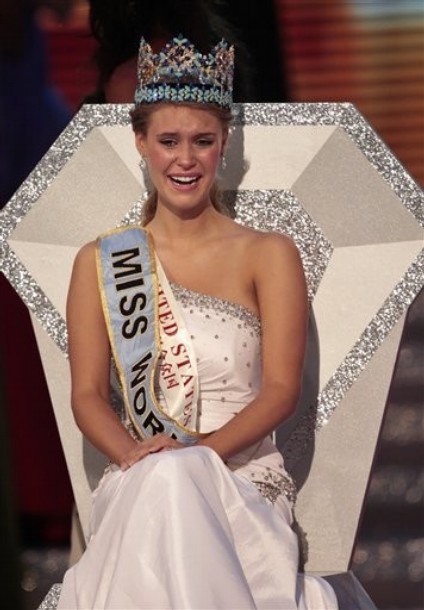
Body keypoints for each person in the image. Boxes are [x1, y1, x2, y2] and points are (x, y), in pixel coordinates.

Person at [58, 35, 338, 609]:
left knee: (176, 480)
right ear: (140, 142)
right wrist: (136, 457)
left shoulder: (268, 253)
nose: (185, 159)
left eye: (202, 141)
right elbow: (86, 395)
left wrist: (197, 456)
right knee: (165, 483)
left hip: (241, 477)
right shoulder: (101, 262)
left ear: (223, 144)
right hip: (141, 473)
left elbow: (281, 390)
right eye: (168, 141)